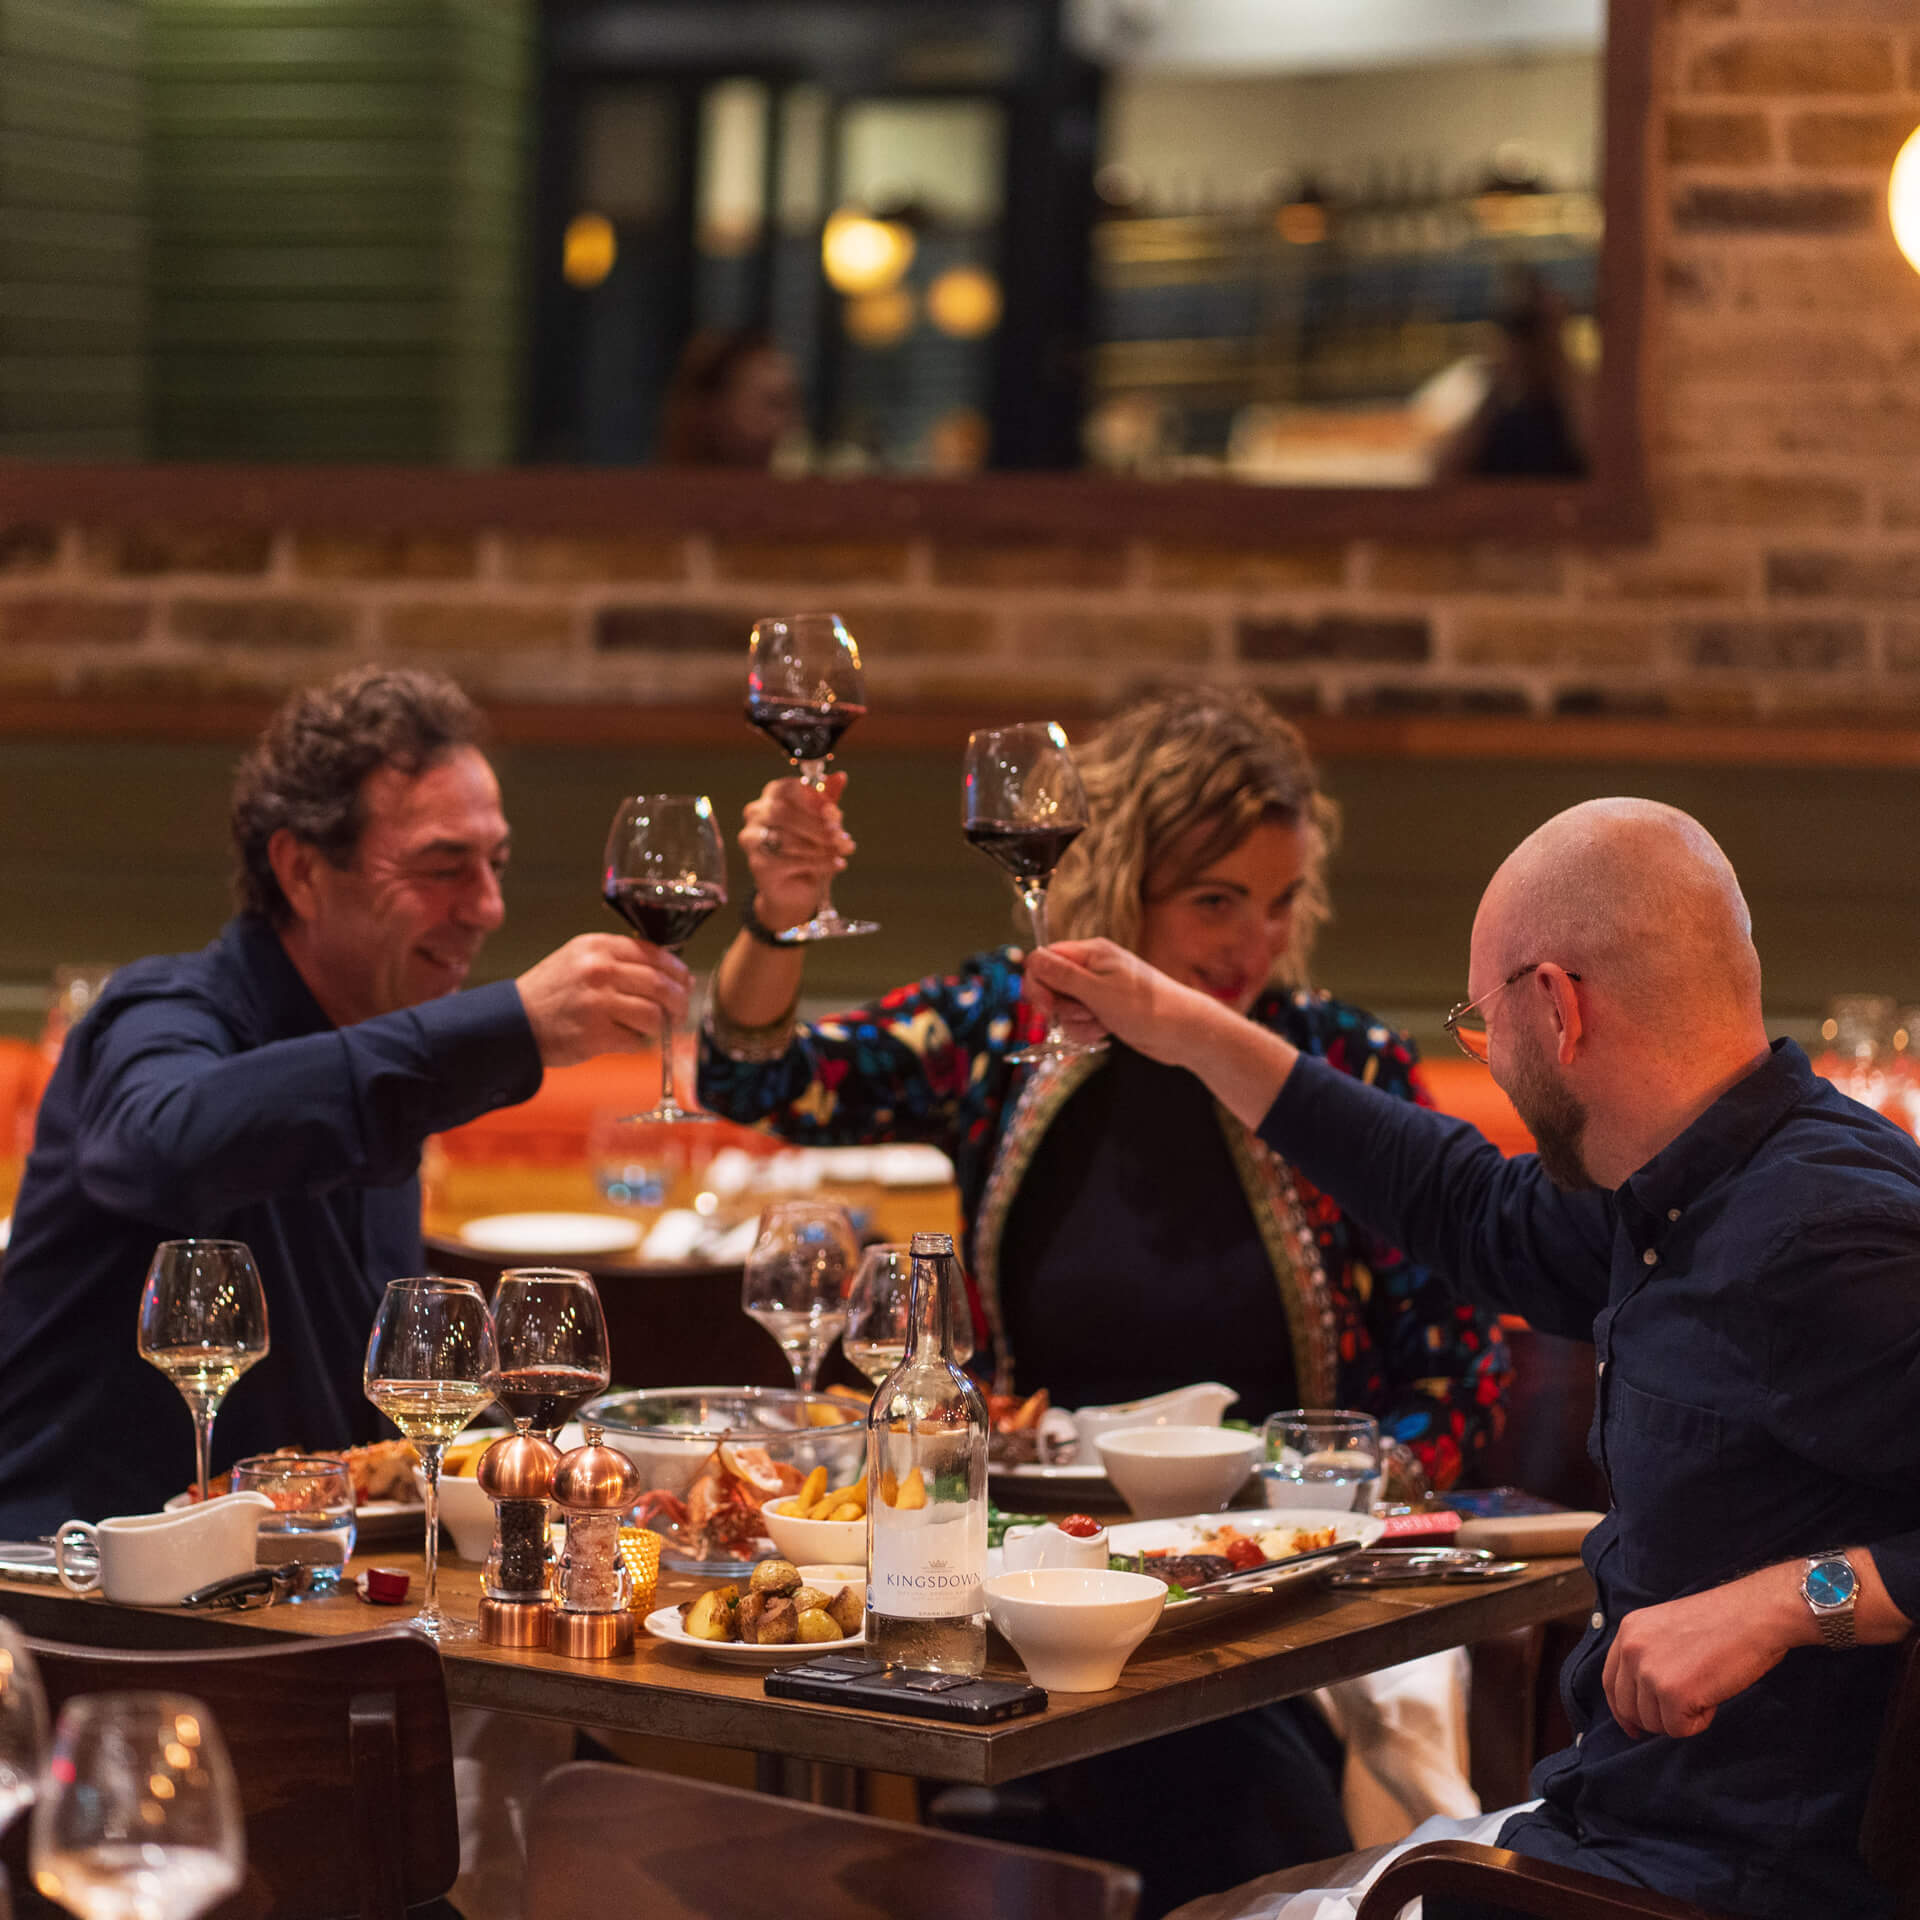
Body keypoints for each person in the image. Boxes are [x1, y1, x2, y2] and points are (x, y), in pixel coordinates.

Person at [1027, 798, 1920, 1920]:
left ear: (1556, 1006)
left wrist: (1790, 1601)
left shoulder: (1824, 1235)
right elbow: (1452, 1197)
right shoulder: (1672, 1190)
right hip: (1612, 1834)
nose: (1487, 1056)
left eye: (1479, 1021)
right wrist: (1189, 1026)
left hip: (1705, 1888)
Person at [698, 686, 1510, 1915]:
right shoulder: (1002, 1030)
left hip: (1286, 1580)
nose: (1255, 943)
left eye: (1280, 902)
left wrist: (1348, 1497)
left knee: (1222, 1764)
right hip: (1040, 1576)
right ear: (1117, 879)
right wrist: (778, 921)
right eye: (1216, 900)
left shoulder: (1336, 1069)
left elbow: (1460, 1361)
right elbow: (761, 1078)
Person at [0, 665, 690, 1530]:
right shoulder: (160, 1013)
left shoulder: (391, 1028)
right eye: (443, 868)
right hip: (82, 1599)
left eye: (495, 865)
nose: (488, 906)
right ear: (300, 869)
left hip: (310, 1595)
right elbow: (170, 1141)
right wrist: (509, 1026)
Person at [657, 328, 803, 468]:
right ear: (715, 409)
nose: (793, 422)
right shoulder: (657, 489)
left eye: (794, 403)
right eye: (774, 404)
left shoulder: (803, 484)